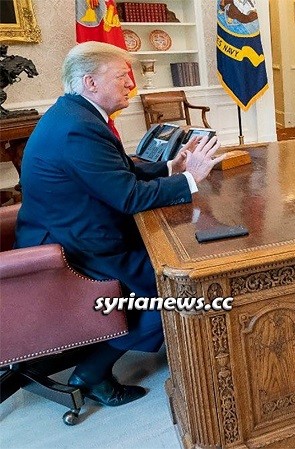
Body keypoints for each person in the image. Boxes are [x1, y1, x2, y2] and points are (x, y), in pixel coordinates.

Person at [14, 42, 224, 407]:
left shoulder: (75, 115)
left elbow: (114, 173)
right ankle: (92, 371)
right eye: (121, 76)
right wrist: (189, 179)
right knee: (180, 285)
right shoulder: (77, 128)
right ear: (91, 82)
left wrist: (169, 167)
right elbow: (128, 197)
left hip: (75, 232)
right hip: (76, 250)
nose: (131, 83)